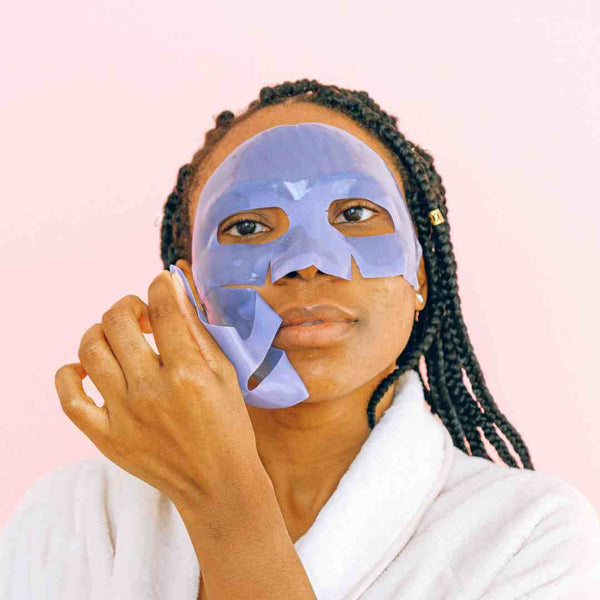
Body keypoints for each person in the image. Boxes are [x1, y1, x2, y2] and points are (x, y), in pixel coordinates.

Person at [2, 80, 599, 600]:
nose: (307, 263)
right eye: (249, 226)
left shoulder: (532, 537)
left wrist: (224, 501)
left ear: (420, 273)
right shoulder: (71, 520)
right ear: (187, 289)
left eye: (355, 214)